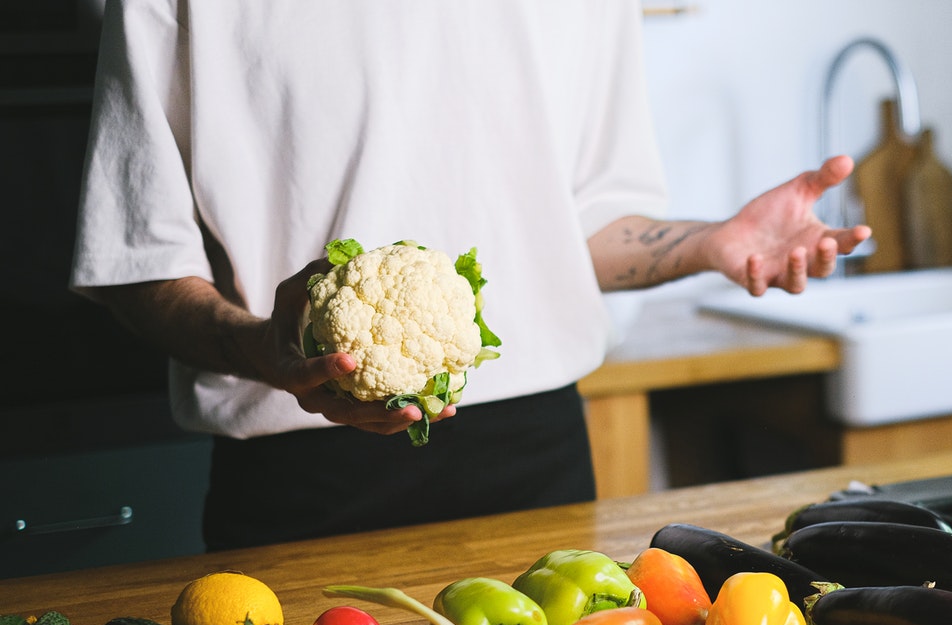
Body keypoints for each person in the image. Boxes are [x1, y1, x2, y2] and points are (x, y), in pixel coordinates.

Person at [72, 1, 870, 551]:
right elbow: (137, 261)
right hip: (299, 474)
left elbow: (579, 230)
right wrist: (262, 351)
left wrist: (711, 242)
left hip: (539, 456)